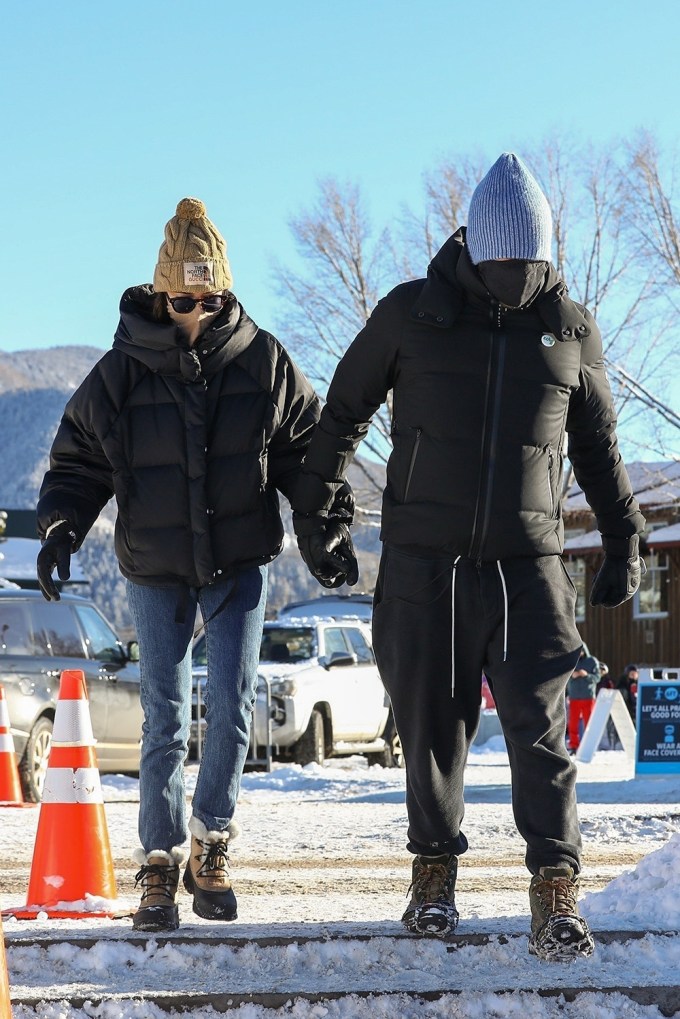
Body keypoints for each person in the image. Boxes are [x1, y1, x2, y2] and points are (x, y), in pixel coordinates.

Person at [290, 153, 645, 961]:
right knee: (430, 728)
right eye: (505, 264)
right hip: (425, 565)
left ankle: (556, 889)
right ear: (476, 251)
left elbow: (599, 445)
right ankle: (434, 878)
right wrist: (318, 514)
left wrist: (623, 536)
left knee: (540, 732)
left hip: (530, 568)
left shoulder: (571, 328)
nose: (521, 277)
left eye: (534, 263)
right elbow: (341, 413)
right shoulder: (412, 313)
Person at [35, 197, 356, 933]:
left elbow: (308, 459)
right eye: (183, 298)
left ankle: (211, 844)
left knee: (236, 709)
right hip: (154, 564)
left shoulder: (264, 360)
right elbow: (78, 457)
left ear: (225, 291)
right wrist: (60, 527)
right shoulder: (119, 373)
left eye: (209, 297)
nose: (195, 311)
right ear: (159, 291)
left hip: (239, 557)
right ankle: (159, 860)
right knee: (166, 718)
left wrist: (324, 530)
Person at [566, 661, 598, 752]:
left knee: (589, 723)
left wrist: (586, 675)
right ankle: (574, 746)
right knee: (573, 723)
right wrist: (572, 676)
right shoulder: (571, 660)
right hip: (574, 697)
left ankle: (589, 746)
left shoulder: (592, 661)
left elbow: (597, 678)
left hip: (588, 697)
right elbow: (562, 677)